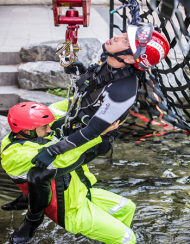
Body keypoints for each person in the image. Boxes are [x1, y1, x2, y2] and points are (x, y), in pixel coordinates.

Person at [1, 22, 170, 244]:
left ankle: (33, 219)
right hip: (73, 150)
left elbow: (90, 131)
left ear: (130, 58)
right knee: (38, 161)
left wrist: (55, 149)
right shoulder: (107, 61)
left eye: (122, 40)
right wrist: (79, 71)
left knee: (42, 173)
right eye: (120, 35)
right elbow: (86, 88)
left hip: (85, 148)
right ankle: (32, 206)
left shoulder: (123, 90)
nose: (115, 37)